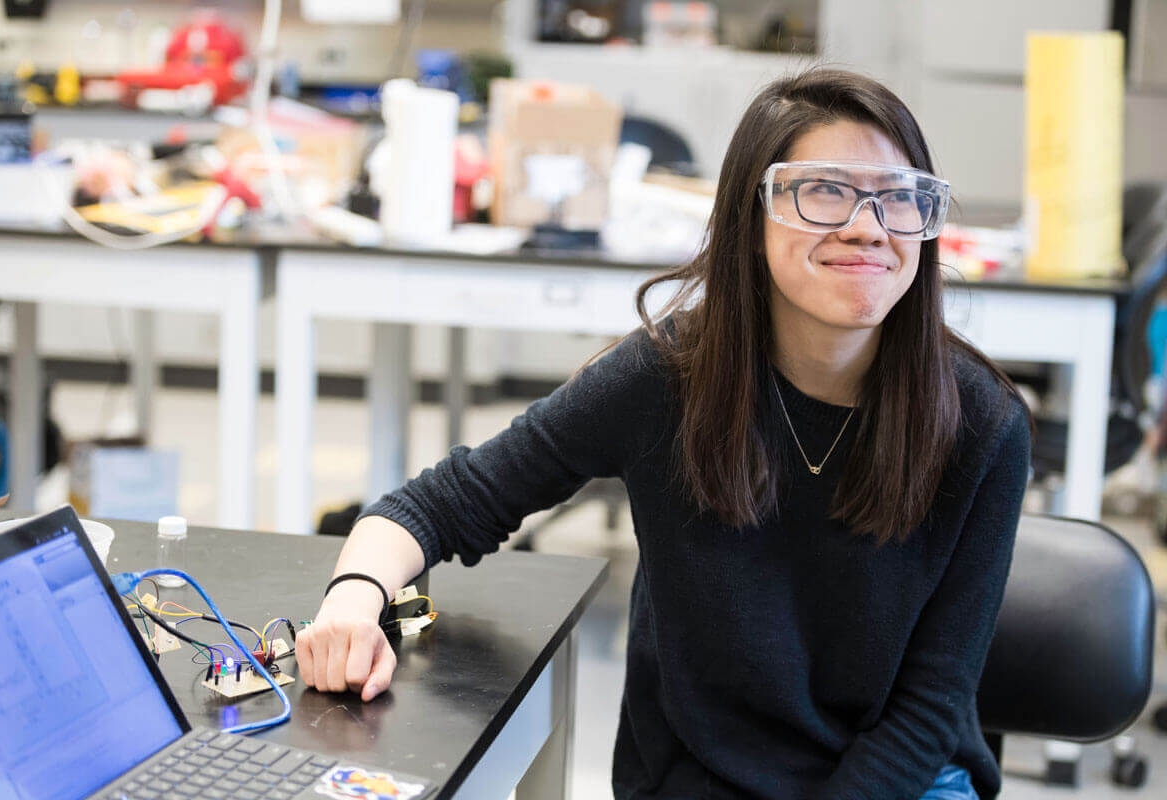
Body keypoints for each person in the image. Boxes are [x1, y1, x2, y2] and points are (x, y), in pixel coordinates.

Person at [296, 68, 1031, 800]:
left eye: (899, 196)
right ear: (753, 214)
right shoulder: (665, 379)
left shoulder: (982, 425)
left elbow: (932, 707)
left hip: (899, 779)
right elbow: (436, 506)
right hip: (701, 774)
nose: (868, 225)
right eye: (826, 190)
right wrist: (352, 600)